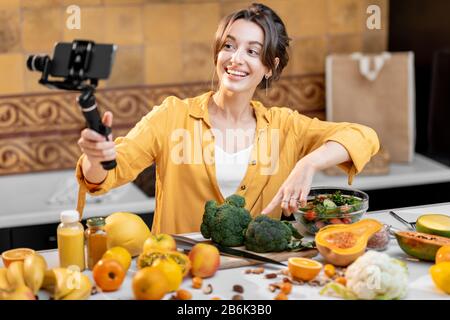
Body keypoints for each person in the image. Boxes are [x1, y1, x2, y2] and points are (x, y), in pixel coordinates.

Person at [76, 3, 379, 234]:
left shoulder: (286, 126)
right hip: (178, 273)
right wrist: (95, 158)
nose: (236, 59)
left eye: (252, 51)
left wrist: (308, 163)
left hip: (257, 276)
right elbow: (105, 175)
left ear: (270, 66)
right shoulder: (172, 116)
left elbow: (363, 136)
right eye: (229, 46)